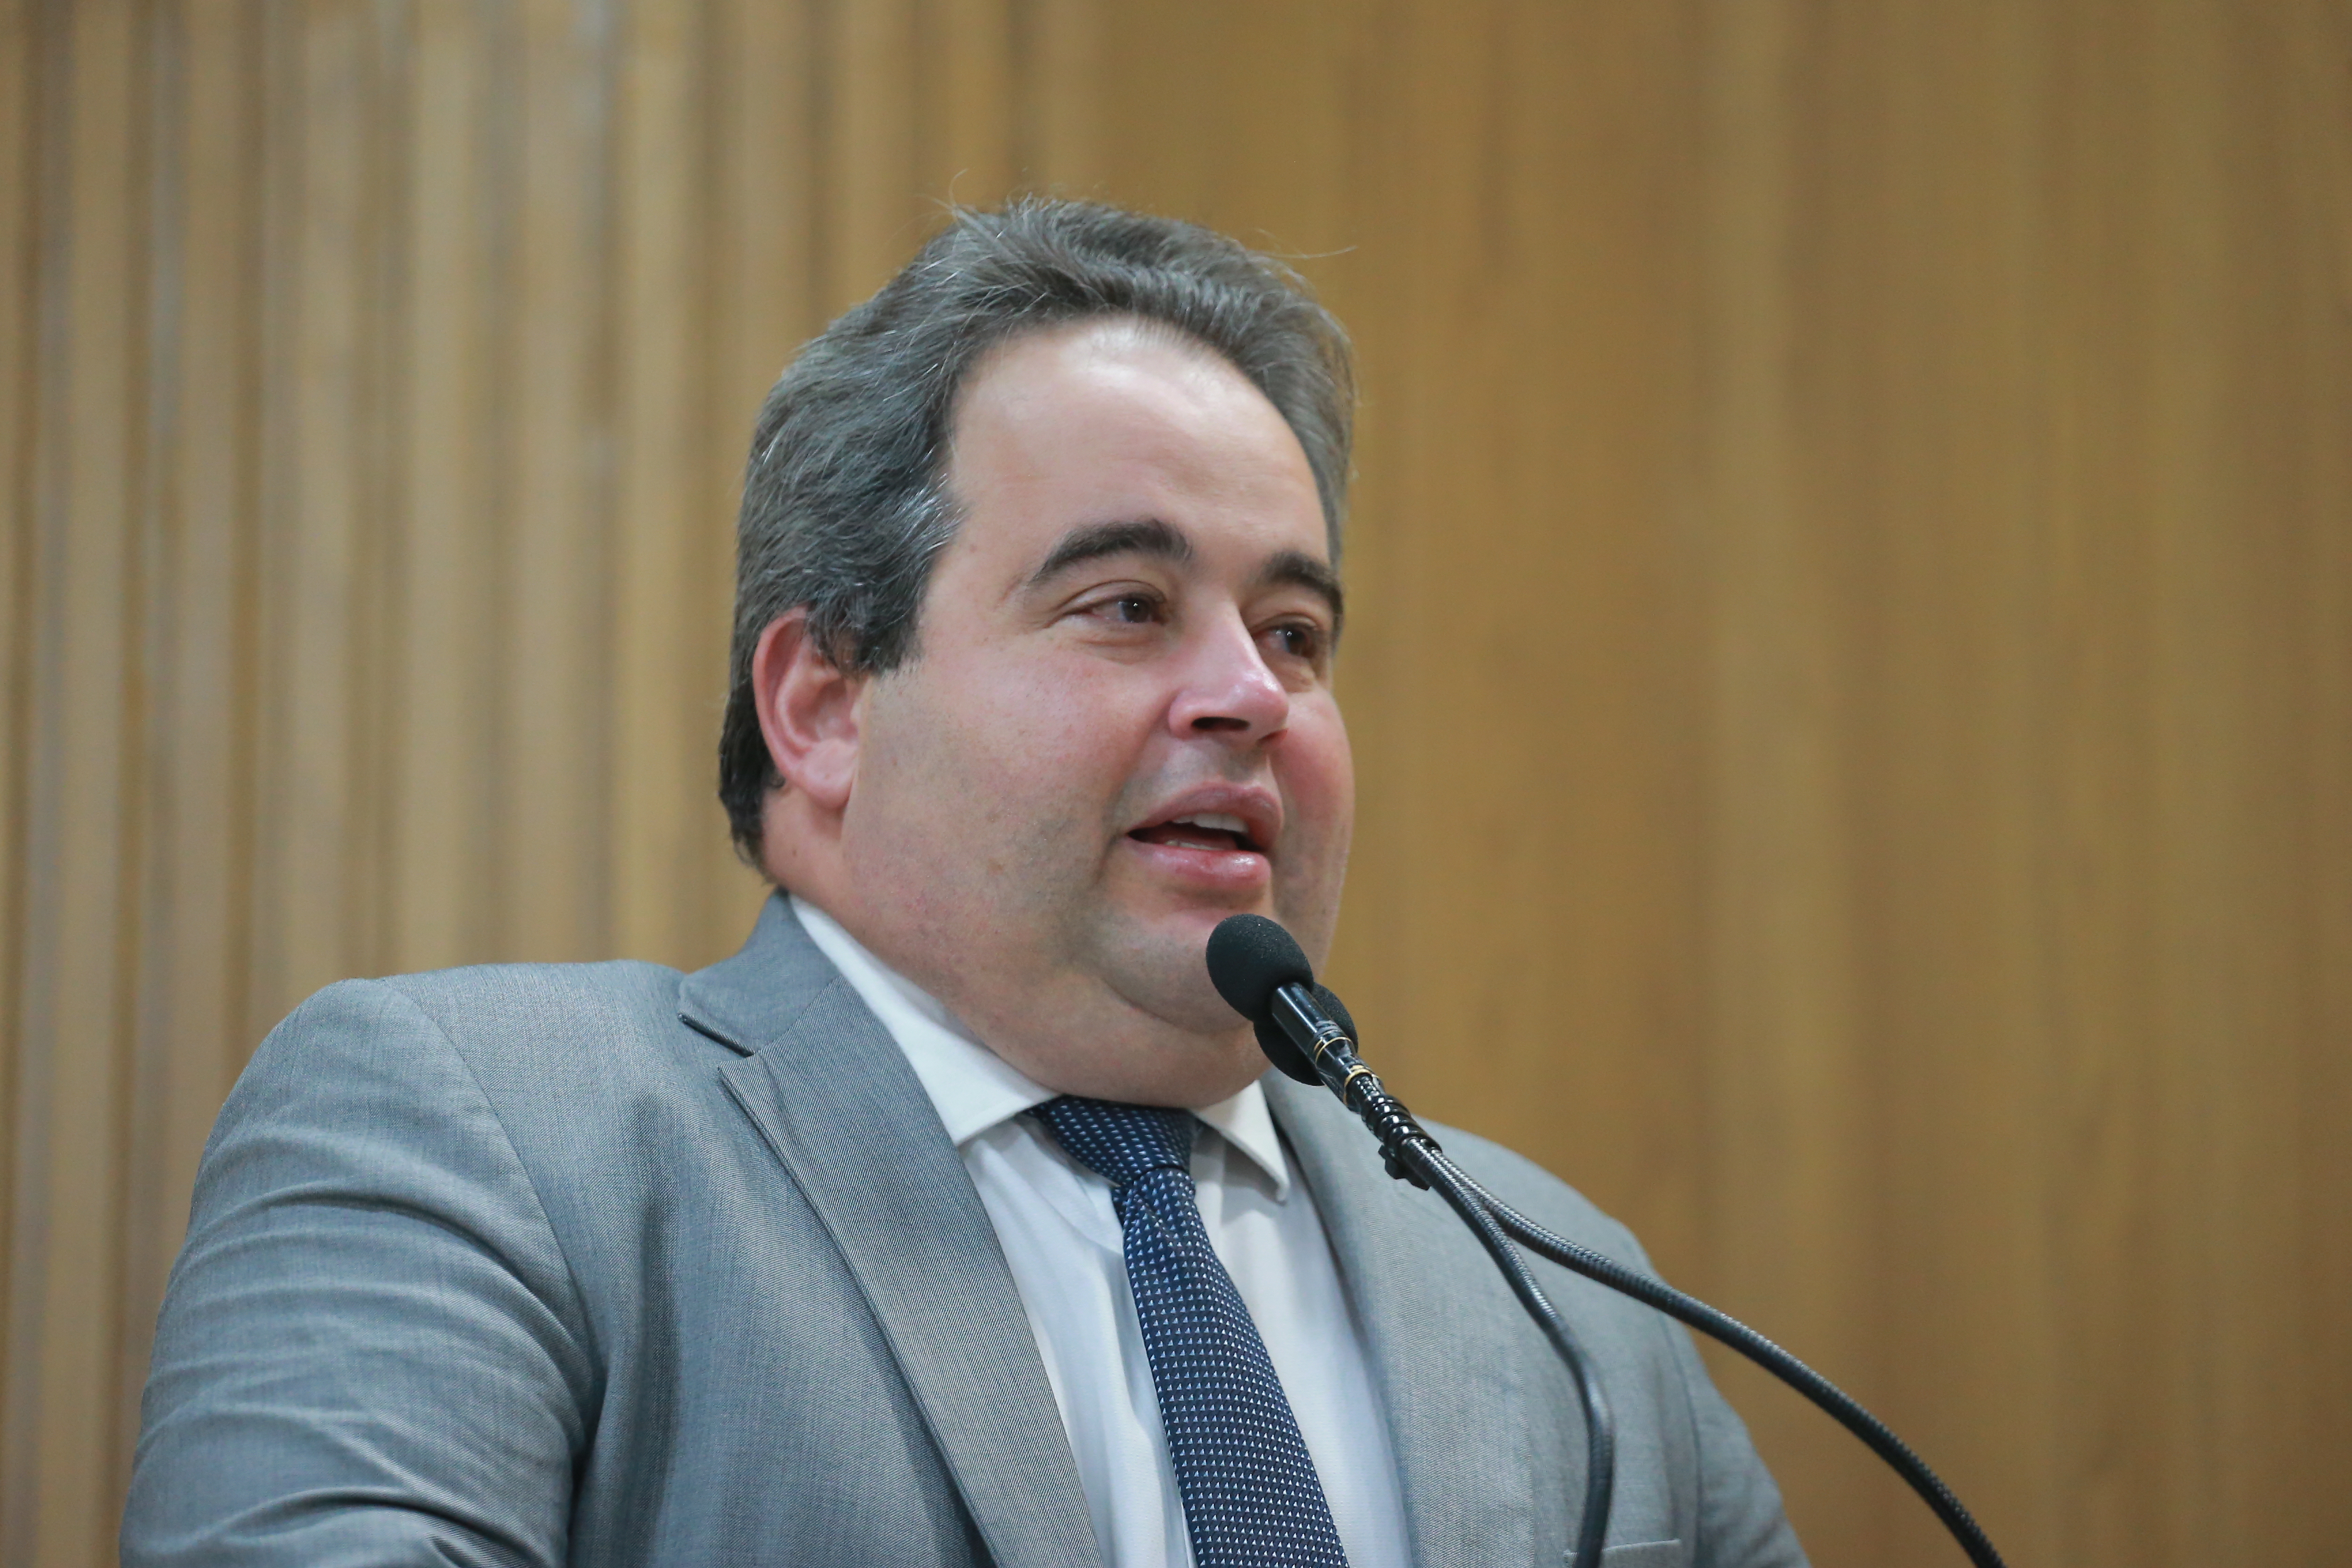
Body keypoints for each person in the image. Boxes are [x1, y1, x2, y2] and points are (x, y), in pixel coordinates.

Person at [125, 200, 1806, 1568]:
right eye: (1126, 605)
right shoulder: (488, 1142)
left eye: (1296, 633)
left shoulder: (1554, 1283)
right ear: (824, 705)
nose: (1254, 695)